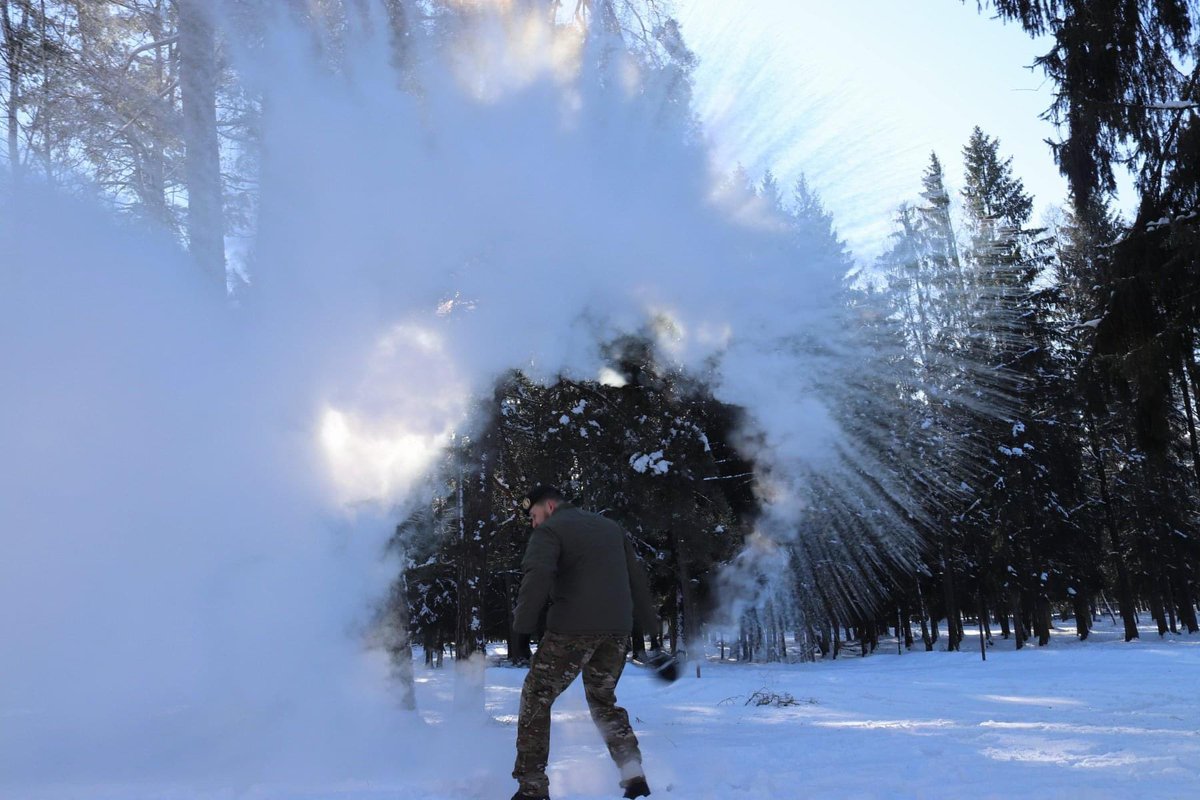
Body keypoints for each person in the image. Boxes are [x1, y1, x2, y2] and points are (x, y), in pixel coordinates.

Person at [510, 485, 657, 800]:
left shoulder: (549, 531)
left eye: (534, 515)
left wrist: (521, 630)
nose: (533, 524)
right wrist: (651, 629)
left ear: (549, 506)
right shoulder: (610, 528)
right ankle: (633, 774)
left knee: (536, 697)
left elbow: (537, 576)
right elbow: (636, 580)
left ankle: (532, 789)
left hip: (571, 629)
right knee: (603, 700)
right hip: (617, 630)